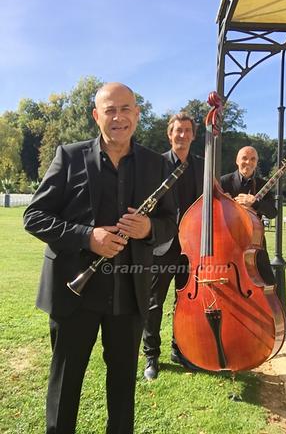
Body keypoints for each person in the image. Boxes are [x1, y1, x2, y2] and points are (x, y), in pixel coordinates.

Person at [23, 82, 177, 434]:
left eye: (126, 109)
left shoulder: (156, 164)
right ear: (97, 116)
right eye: (110, 110)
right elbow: (34, 216)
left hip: (128, 294)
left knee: (123, 385)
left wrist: (148, 228)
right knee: (66, 382)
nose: (118, 117)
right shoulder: (70, 155)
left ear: (137, 114)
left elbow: (169, 224)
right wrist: (86, 237)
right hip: (74, 291)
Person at [142, 112, 204, 380]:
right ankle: (151, 356)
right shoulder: (156, 165)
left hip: (191, 247)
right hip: (163, 246)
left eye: (187, 130)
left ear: (193, 135)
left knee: (185, 303)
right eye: (178, 130)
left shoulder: (202, 165)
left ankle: (180, 350)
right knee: (155, 301)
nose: (182, 135)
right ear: (170, 134)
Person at [221, 145, 277, 285]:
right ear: (237, 160)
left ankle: (268, 307)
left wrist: (255, 203)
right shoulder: (223, 182)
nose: (248, 162)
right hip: (229, 239)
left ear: (257, 162)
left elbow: (272, 213)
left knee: (267, 281)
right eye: (244, 158)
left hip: (255, 242)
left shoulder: (263, 185)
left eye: (253, 159)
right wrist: (227, 203)